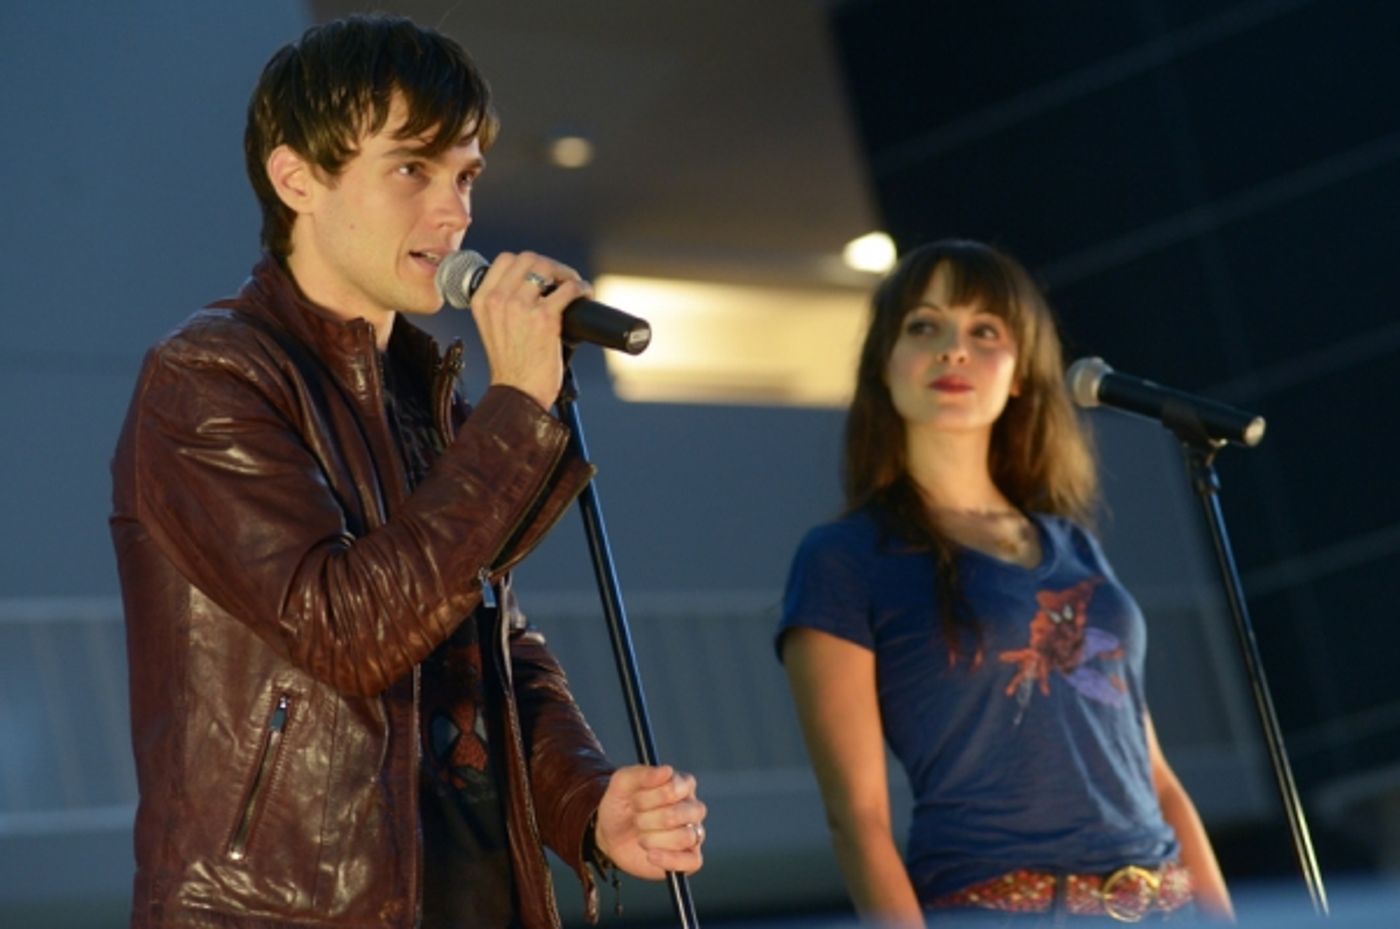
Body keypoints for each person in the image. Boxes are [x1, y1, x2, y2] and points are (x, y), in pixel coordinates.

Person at [110, 15, 705, 929]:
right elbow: (348, 630)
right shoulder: (209, 377)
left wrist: (586, 802)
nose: (455, 211)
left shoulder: (428, 401)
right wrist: (514, 411)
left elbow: (490, 643)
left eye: (464, 174)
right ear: (297, 177)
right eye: (411, 168)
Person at [777, 240, 1231, 925]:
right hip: (1004, 905)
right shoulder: (844, 556)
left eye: (985, 331)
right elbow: (858, 819)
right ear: (885, 363)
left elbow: (1154, 773)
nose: (954, 350)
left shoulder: (1072, 542)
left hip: (1166, 900)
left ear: (1018, 372)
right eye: (923, 325)